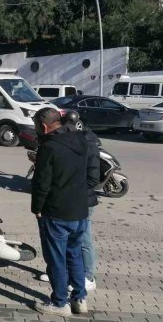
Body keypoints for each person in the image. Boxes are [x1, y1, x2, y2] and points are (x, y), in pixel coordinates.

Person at [31, 108, 89, 317]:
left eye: (37, 126)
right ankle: (80, 299)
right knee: (75, 256)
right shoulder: (82, 140)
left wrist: (37, 208)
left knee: (56, 259)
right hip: (80, 210)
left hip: (56, 212)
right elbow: (91, 172)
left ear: (44, 126)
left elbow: (42, 183)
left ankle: (59, 302)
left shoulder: (49, 148)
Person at [39, 111, 100, 292]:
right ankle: (76, 290)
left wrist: (73, 191)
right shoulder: (74, 141)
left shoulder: (84, 142)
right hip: (76, 201)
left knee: (81, 244)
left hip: (78, 202)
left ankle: (86, 277)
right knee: (72, 250)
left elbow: (92, 177)